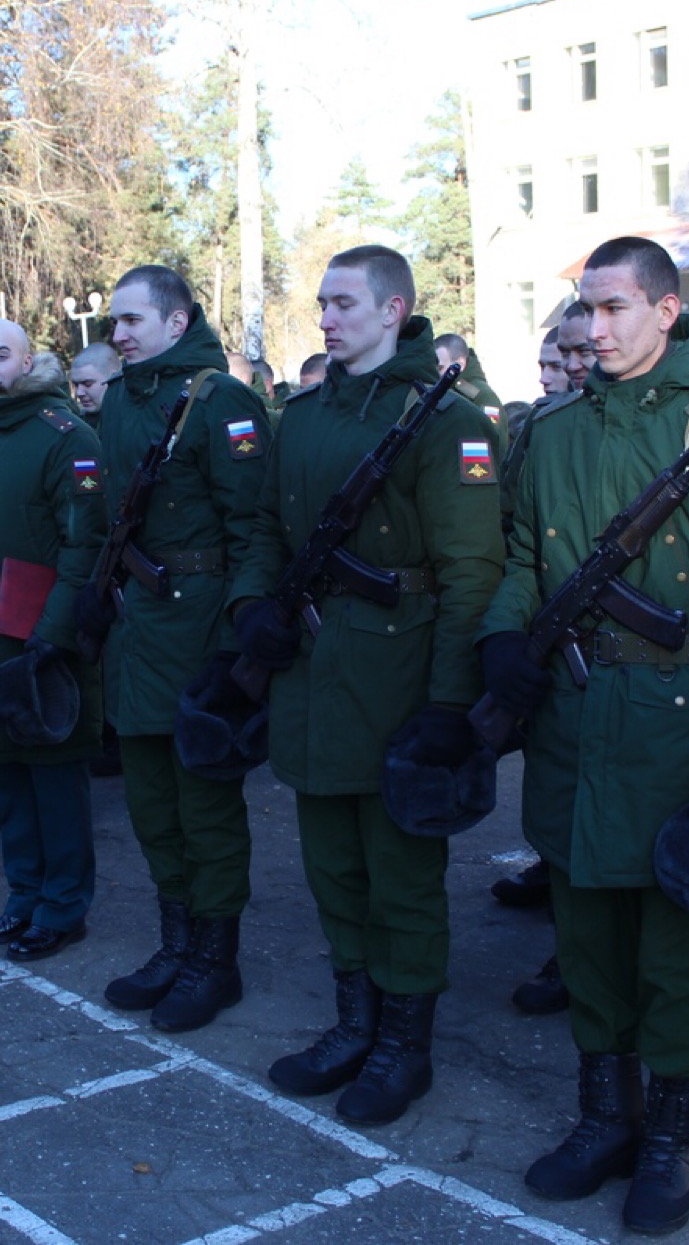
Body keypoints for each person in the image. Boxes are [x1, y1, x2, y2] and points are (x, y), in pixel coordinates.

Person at [479, 237, 689, 1233]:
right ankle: (602, 1115)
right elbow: (520, 564)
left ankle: (671, 1131)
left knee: (670, 949)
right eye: (585, 308)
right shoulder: (552, 428)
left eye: (615, 307)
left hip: (677, 730)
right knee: (584, 938)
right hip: (574, 725)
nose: (595, 327)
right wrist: (500, 636)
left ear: (666, 311)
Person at [233, 244, 503, 1127]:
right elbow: (267, 529)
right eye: (321, 302)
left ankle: (403, 1044)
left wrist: (449, 705)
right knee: (333, 869)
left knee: (402, 877)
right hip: (311, 673)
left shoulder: (448, 422)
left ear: (393, 310)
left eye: (344, 301)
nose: (326, 316)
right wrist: (254, 610)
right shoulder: (303, 415)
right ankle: (356, 1021)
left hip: (398, 676)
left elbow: (472, 572)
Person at [80, 265, 270, 1032]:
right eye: (112, 322)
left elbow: (253, 528)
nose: (116, 334)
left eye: (130, 320)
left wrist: (232, 647)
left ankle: (214, 961)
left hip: (196, 632)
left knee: (206, 809)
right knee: (153, 806)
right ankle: (177, 943)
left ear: (177, 321)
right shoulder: (121, 401)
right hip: (136, 625)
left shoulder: (221, 401)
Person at [0, 323, 109, 961]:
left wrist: (53, 634)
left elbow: (85, 545)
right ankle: (24, 899)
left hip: (44, 638)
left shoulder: (68, 438)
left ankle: (64, 907)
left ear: (29, 360)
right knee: (6, 772)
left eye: (0, 356)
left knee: (54, 777)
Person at [69, 341, 121, 426]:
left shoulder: (137, 421)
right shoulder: (78, 425)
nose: (79, 393)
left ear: (113, 378)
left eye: (87, 384)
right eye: (76, 385)